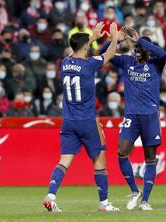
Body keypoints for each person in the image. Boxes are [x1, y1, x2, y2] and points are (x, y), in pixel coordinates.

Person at [43, 22, 120, 212]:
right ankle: (104, 203)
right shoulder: (88, 65)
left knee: (64, 161)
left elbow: (76, 51)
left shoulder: (65, 63)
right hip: (87, 120)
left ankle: (51, 196)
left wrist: (91, 37)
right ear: (86, 47)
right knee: (99, 160)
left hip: (69, 121)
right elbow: (109, 54)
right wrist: (114, 38)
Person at [100, 27, 166, 211]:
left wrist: (139, 41)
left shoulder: (156, 64)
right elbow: (102, 54)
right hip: (131, 115)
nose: (136, 53)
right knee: (121, 152)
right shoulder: (127, 62)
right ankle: (134, 191)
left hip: (150, 116)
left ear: (147, 50)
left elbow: (162, 53)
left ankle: (145, 200)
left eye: (139, 50)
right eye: (135, 50)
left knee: (150, 158)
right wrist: (116, 40)